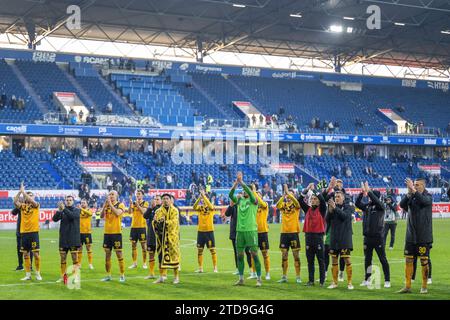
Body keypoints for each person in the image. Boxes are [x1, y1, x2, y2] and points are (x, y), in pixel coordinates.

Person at [398, 178, 433, 294]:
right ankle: (407, 286)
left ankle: (424, 286)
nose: (415, 186)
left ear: (423, 185)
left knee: (424, 261)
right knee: (408, 260)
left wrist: (413, 190)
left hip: (423, 236)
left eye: (417, 185)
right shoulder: (412, 196)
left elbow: (423, 201)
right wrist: (409, 193)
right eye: (414, 185)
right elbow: (401, 204)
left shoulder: (428, 196)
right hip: (410, 236)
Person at [228, 172, 262, 287]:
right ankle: (241, 279)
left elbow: (249, 191)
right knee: (240, 255)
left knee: (254, 254)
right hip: (240, 231)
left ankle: (259, 279)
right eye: (242, 191)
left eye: (245, 190)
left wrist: (241, 182)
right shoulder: (239, 201)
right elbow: (230, 194)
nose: (243, 192)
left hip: (251, 230)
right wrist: (235, 184)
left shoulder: (254, 200)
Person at [355, 182, 391, 288]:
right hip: (367, 238)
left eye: (372, 196)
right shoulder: (367, 207)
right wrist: (362, 193)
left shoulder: (381, 207)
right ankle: (367, 279)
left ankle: (387, 280)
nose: (370, 199)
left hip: (378, 237)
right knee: (367, 259)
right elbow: (357, 203)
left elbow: (376, 201)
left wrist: (369, 192)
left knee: (382, 259)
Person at [299, 183, 326, 286]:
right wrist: (306, 189)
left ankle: (322, 281)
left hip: (318, 237)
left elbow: (323, 200)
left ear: (318, 201)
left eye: (315, 199)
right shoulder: (308, 209)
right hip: (308, 237)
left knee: (320, 260)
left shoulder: (322, 209)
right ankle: (311, 281)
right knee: (310, 261)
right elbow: (300, 201)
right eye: (312, 199)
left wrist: (315, 191)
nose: (313, 200)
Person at [14, 183, 42, 281]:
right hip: (24, 233)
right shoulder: (22, 206)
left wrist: (23, 192)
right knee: (25, 254)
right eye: (28, 196)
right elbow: (15, 201)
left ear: (33, 197)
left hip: (33, 232)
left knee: (36, 254)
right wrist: (19, 192)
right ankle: (28, 275)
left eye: (31, 196)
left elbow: (31, 201)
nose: (29, 197)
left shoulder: (36, 205)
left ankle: (38, 273)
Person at [326, 191, 354, 290]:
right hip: (334, 238)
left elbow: (345, 217)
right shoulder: (333, 207)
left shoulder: (348, 207)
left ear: (343, 198)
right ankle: (334, 282)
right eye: (335, 197)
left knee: (347, 259)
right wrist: (329, 210)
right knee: (333, 259)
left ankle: (350, 283)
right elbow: (327, 220)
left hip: (344, 238)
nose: (336, 198)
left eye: (338, 196)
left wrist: (335, 208)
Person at [152, 194, 181, 284]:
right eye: (163, 199)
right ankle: (162, 276)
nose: (165, 200)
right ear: (161, 200)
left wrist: (164, 222)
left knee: (174, 257)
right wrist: (157, 222)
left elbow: (174, 222)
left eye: (167, 198)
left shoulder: (174, 210)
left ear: (170, 200)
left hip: (172, 238)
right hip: (161, 238)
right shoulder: (158, 211)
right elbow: (154, 222)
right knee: (161, 257)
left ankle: (176, 277)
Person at [276, 184, 302, 284]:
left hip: (294, 232)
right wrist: (284, 195)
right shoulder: (283, 205)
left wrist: (289, 194)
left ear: (293, 195)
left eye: (290, 195)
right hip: (284, 233)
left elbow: (296, 202)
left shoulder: (296, 205)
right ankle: (284, 276)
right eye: (287, 195)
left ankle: (298, 276)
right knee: (284, 256)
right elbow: (278, 205)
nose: (288, 196)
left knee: (296, 256)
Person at [52, 196, 81, 283]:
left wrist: (64, 209)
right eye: (67, 200)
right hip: (63, 239)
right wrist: (59, 210)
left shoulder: (77, 210)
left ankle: (75, 276)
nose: (68, 201)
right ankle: (63, 276)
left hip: (73, 239)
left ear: (73, 201)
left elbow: (72, 216)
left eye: (70, 200)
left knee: (74, 259)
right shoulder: (63, 211)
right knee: (63, 258)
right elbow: (54, 219)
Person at [100, 190, 127, 282]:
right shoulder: (107, 205)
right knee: (107, 255)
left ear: (116, 196)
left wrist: (110, 204)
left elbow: (117, 213)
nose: (111, 196)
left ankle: (122, 275)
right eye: (109, 194)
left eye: (112, 194)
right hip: (107, 233)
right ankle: (108, 275)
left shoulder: (120, 205)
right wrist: (104, 205)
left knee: (119, 254)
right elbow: (101, 216)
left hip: (116, 233)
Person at [193, 189, 218, 273]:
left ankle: (215, 268)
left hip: (209, 231)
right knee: (200, 250)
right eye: (203, 199)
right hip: (200, 231)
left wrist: (203, 195)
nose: (203, 200)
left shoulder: (211, 207)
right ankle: (200, 268)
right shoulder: (200, 207)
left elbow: (210, 206)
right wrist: (199, 198)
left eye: (204, 198)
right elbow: (194, 207)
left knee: (212, 250)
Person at [252, 184, 271, 280]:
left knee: (265, 254)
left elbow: (259, 201)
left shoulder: (265, 205)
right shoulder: (253, 207)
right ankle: (254, 273)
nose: (257, 197)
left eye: (259, 195)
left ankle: (267, 273)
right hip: (254, 232)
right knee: (253, 253)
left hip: (263, 232)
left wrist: (254, 191)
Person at [128, 190, 149, 269]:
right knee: (133, 245)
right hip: (133, 227)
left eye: (139, 194)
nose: (137, 195)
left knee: (143, 246)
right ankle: (134, 263)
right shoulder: (134, 203)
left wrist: (137, 205)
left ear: (142, 195)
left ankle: (144, 263)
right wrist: (130, 205)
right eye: (136, 194)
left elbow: (144, 212)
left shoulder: (145, 203)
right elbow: (129, 212)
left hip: (142, 227)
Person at [144, 195, 161, 279]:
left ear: (161, 201)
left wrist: (154, 208)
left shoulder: (162, 209)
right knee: (151, 254)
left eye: (157, 199)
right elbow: (145, 216)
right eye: (154, 199)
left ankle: (162, 275)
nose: (156, 201)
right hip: (151, 235)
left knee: (161, 255)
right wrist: (151, 208)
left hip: (159, 236)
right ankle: (151, 273)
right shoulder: (151, 209)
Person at [78, 198, 94, 269]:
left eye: (84, 203)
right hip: (79, 232)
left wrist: (81, 208)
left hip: (87, 232)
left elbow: (90, 214)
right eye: (81, 203)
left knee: (89, 248)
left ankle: (90, 264)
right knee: (79, 249)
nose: (82, 204)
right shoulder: (78, 211)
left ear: (87, 204)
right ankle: (79, 264)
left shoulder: (89, 210)